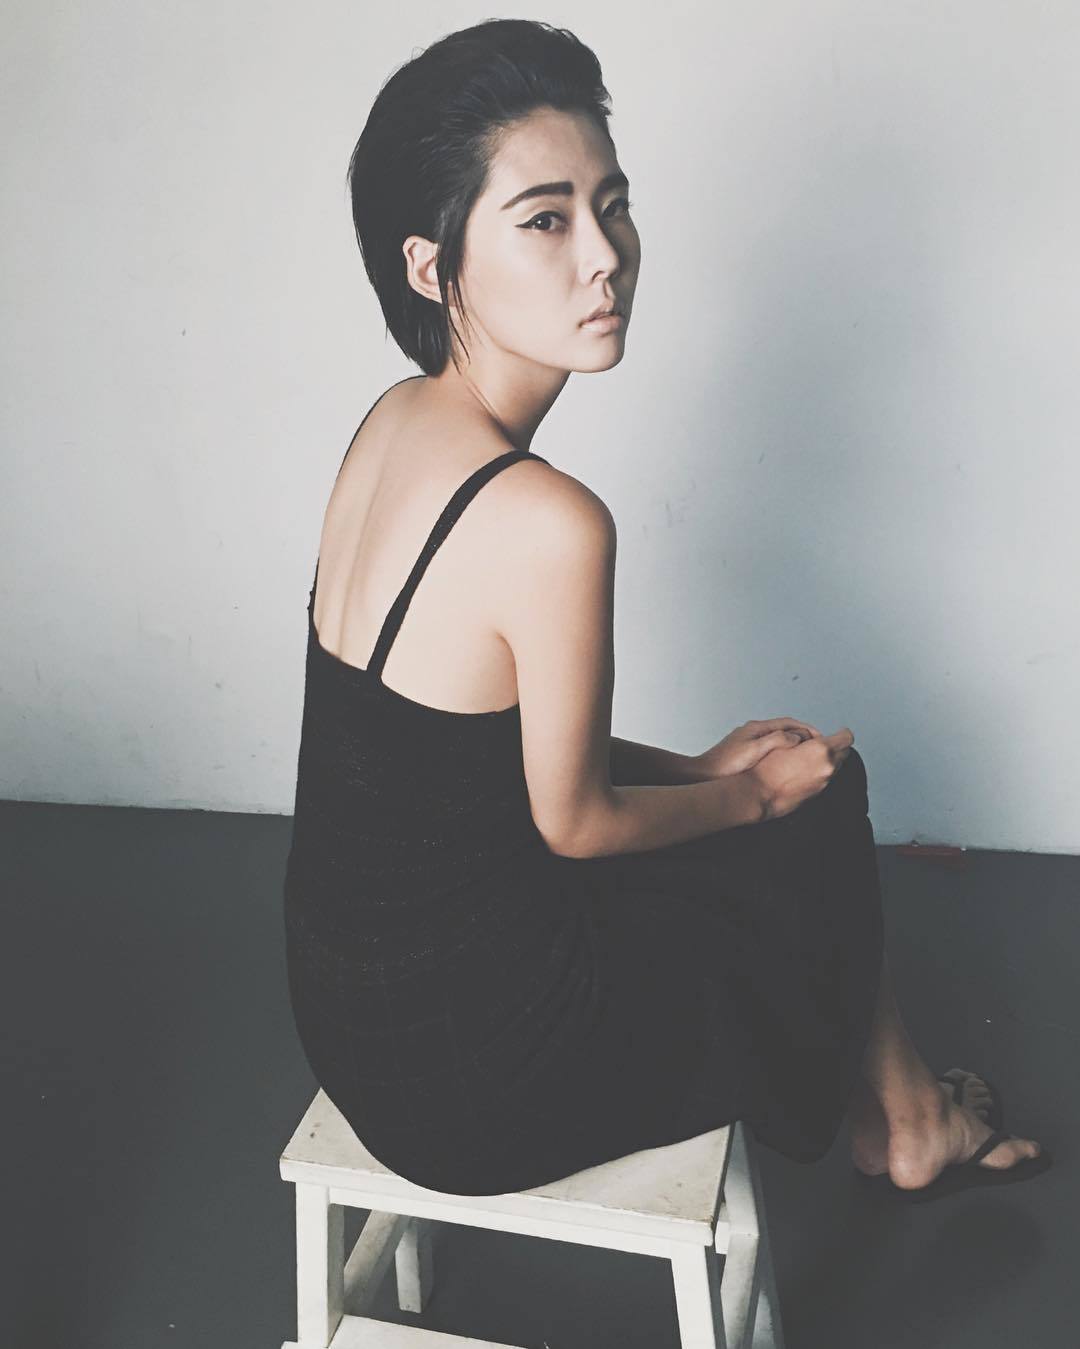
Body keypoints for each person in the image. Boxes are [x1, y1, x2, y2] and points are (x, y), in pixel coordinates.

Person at [283, 18, 1046, 1199]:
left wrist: (697, 769)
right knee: (815, 797)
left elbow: (452, 758)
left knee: (783, 794)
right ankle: (909, 1122)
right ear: (430, 266)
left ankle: (906, 1111)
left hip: (356, 1018)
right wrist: (751, 795)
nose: (605, 255)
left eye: (613, 205)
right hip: (478, 1080)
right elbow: (574, 822)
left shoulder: (394, 421)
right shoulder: (549, 519)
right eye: (545, 220)